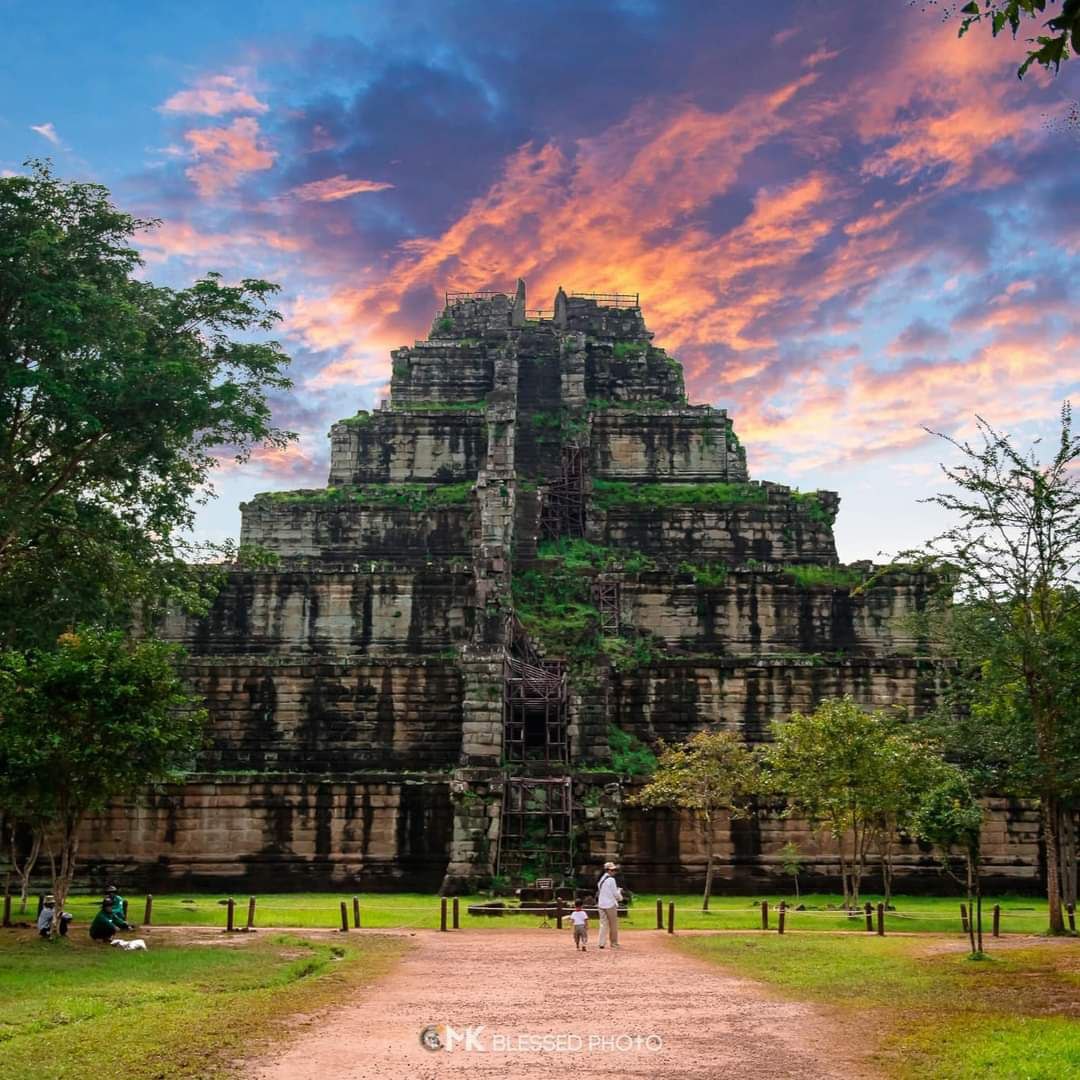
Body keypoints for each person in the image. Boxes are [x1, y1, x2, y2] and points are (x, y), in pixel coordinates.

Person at [596, 861, 622, 949]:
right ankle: (614, 943)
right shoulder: (611, 880)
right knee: (613, 924)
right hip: (610, 904)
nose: (614, 871)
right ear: (608, 870)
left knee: (603, 924)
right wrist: (620, 896)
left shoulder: (601, 879)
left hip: (601, 904)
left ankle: (601, 943)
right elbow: (615, 893)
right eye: (612, 870)